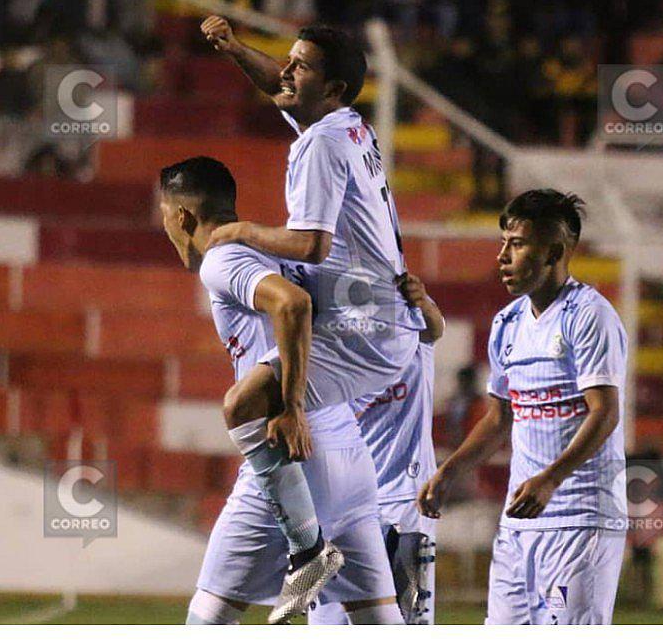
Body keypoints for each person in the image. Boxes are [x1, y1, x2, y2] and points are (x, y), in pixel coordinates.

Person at [199, 11, 428, 543]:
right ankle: (362, 538)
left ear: (334, 88)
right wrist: (235, 50)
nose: (286, 71)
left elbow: (311, 244)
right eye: (291, 60)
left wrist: (241, 230)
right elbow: (278, 85)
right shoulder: (346, 126)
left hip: (364, 328)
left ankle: (308, 545)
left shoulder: (320, 144)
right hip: (381, 317)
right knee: (288, 410)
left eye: (301, 67)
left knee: (247, 405)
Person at [159, 157, 401, 625]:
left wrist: (290, 406)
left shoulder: (223, 259)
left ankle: (307, 550)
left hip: (293, 454)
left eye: (165, 216)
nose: (166, 228)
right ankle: (330, 550)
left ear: (183, 216)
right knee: (379, 623)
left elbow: (293, 304)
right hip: (350, 456)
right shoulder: (274, 252)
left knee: (206, 622)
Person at [417, 189, 628, 624]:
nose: (503, 256)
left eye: (517, 244)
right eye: (503, 243)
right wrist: (450, 470)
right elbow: (499, 418)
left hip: (578, 520)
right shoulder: (507, 324)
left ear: (553, 251)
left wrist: (550, 480)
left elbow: (604, 412)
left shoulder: (588, 315)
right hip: (520, 523)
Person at [310, 274, 446, 624]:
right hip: (343, 500)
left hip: (404, 500)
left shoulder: (407, 336)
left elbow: (434, 328)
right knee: (331, 621)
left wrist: (421, 300)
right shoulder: (329, 359)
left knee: (405, 619)